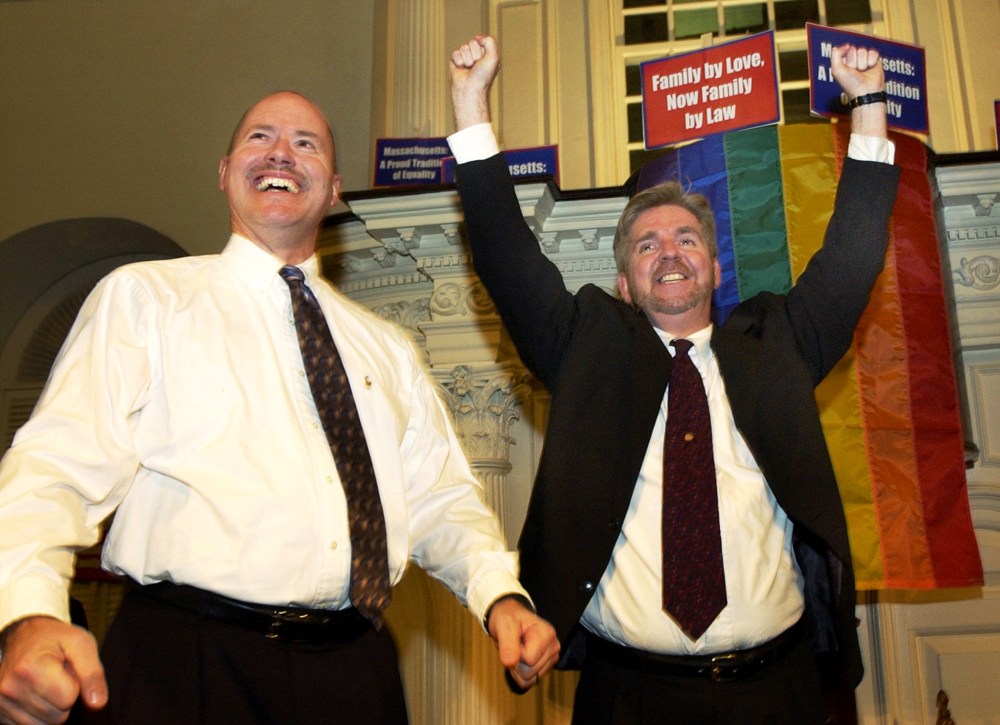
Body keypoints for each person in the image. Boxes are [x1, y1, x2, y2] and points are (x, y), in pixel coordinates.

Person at [0, 90, 559, 724]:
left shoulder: (388, 348)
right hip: (186, 667)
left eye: (306, 144)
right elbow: (54, 468)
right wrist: (29, 613)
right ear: (224, 171)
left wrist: (499, 597)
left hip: (357, 670)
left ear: (333, 189)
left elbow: (440, 499)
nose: (281, 154)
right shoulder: (145, 298)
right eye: (260, 138)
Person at [448, 36, 899, 724]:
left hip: (778, 691)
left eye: (687, 238)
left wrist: (867, 105)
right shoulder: (583, 347)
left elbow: (852, 257)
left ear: (715, 270)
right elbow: (508, 258)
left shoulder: (780, 342)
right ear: (624, 283)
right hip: (627, 695)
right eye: (647, 244)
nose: (670, 252)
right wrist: (470, 102)